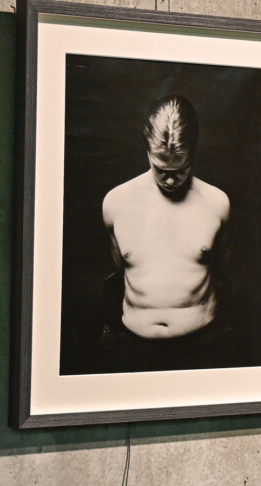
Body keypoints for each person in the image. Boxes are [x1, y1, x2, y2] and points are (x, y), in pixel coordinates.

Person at [98, 93, 232, 371]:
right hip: (130, 348)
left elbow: (223, 270)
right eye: (160, 169)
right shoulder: (116, 202)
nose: (170, 180)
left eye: (180, 169)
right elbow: (117, 270)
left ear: (192, 153)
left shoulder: (217, 203)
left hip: (204, 347)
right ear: (148, 152)